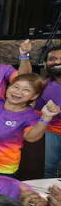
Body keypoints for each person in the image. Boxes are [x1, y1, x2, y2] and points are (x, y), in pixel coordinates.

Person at [35, 46, 61, 176]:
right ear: (45, 63)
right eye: (52, 59)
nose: (57, 62)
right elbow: (35, 111)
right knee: (47, 169)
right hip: (51, 133)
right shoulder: (44, 85)